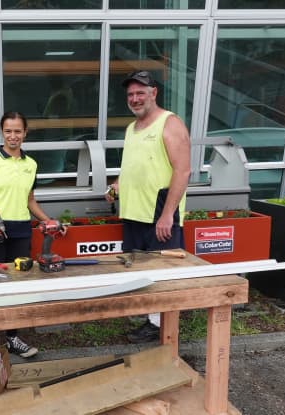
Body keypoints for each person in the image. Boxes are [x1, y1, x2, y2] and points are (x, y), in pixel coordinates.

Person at [105, 70, 191, 343]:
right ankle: (149, 317)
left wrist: (167, 215)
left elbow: (183, 171)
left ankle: (160, 327)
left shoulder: (170, 123)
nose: (135, 98)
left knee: (162, 272)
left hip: (158, 214)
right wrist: (117, 185)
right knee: (141, 268)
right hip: (133, 212)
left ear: (154, 93)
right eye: (130, 94)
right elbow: (134, 166)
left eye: (140, 92)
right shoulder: (132, 128)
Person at [0, 111, 52, 358]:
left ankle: (12, 338)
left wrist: (48, 221)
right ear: (1, 132)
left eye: (17, 131)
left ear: (25, 133)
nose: (13, 136)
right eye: (8, 131)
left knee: (15, 287)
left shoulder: (31, 164)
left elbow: (30, 200)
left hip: (20, 232)